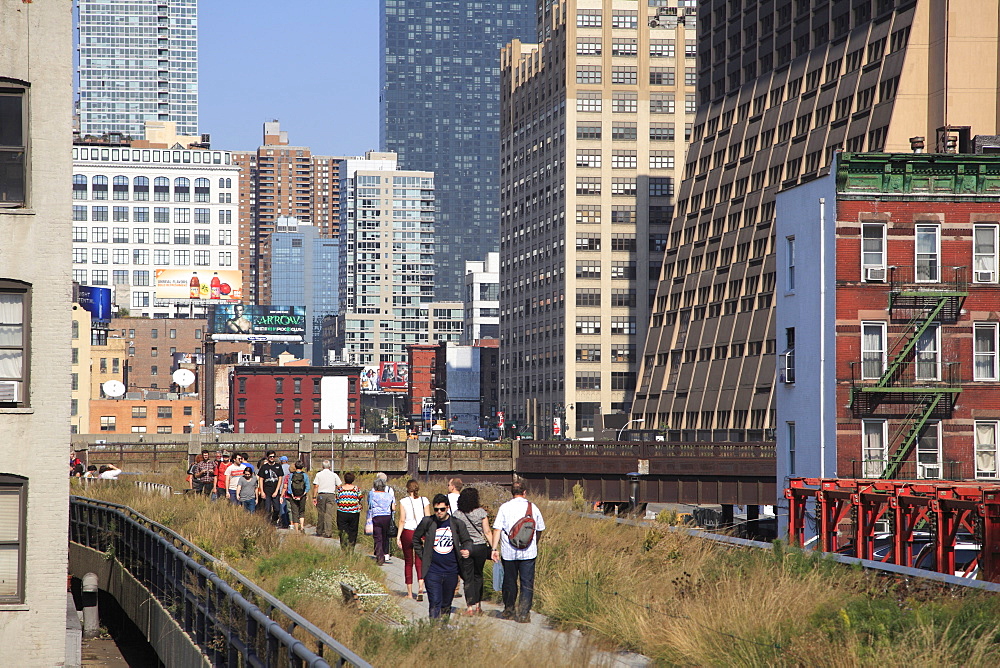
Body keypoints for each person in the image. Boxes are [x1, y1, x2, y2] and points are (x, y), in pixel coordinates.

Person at [491, 482, 545, 623]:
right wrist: (534, 543)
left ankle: (509, 610)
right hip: (528, 552)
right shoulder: (533, 508)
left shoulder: (504, 507)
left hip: (509, 552)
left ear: (512, 492)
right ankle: (523, 614)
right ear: (525, 492)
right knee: (526, 583)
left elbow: (497, 529)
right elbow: (540, 529)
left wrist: (494, 548)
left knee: (509, 581)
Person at [412, 493, 472, 619]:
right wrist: (424, 555)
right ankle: (433, 630)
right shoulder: (428, 522)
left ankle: (443, 631)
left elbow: (467, 541)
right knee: (434, 602)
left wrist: (467, 550)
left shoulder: (457, 524)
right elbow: (416, 539)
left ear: (448, 508)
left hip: (451, 570)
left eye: (442, 509)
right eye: (436, 509)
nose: (439, 512)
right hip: (433, 571)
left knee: (446, 604)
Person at [454, 486, 493, 615]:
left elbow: (455, 534)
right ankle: (478, 606)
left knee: (468, 578)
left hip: (465, 548)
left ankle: (469, 607)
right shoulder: (481, 512)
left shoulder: (457, 514)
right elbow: (487, 532)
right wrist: (494, 548)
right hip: (480, 547)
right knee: (478, 576)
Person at [395, 479, 430, 601]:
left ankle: (410, 592)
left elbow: (402, 520)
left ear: (407, 488)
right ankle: (421, 586)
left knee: (408, 562)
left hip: (408, 532)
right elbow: (428, 518)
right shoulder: (424, 500)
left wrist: (398, 536)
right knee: (420, 560)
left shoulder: (403, 501)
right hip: (421, 533)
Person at [367, 477, 395, 565]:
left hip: (376, 517)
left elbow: (369, 505)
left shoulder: (372, 494)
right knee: (385, 536)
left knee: (378, 537)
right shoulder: (389, 495)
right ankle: (385, 553)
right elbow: (393, 508)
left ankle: (380, 557)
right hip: (387, 517)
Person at [312, 460, 342, 538]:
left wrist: (314, 497)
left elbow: (316, 486)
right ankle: (328, 532)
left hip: (321, 494)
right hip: (331, 495)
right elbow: (339, 485)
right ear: (329, 466)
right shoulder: (334, 475)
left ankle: (319, 531)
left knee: (321, 513)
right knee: (328, 514)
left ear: (322, 466)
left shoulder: (318, 475)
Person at [336, 472, 363, 551]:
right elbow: (360, 498)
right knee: (353, 531)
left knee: (342, 531)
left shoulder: (340, 489)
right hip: (354, 513)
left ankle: (344, 548)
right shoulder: (356, 489)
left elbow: (337, 500)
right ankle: (351, 548)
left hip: (342, 512)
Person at [257, 450, 285, 524]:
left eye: (273, 456)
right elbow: (261, 479)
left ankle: (274, 520)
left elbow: (280, 479)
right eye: (270, 457)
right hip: (266, 490)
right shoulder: (264, 467)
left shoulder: (278, 466)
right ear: (267, 457)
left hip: (275, 490)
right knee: (267, 509)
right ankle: (267, 523)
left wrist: (276, 491)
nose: (272, 458)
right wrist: (262, 491)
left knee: (277, 509)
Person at [374, 472, 397, 562]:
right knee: (386, 535)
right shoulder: (390, 490)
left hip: (376, 515)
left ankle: (379, 553)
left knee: (378, 535)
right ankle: (386, 553)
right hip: (388, 515)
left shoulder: (373, 491)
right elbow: (393, 504)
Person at [283, 462, 311, 532]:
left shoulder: (292, 475)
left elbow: (289, 486)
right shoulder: (305, 475)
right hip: (302, 496)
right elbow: (307, 486)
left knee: (294, 512)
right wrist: (303, 495)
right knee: (301, 511)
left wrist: (292, 494)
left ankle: (296, 530)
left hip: (293, 496)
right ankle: (301, 526)